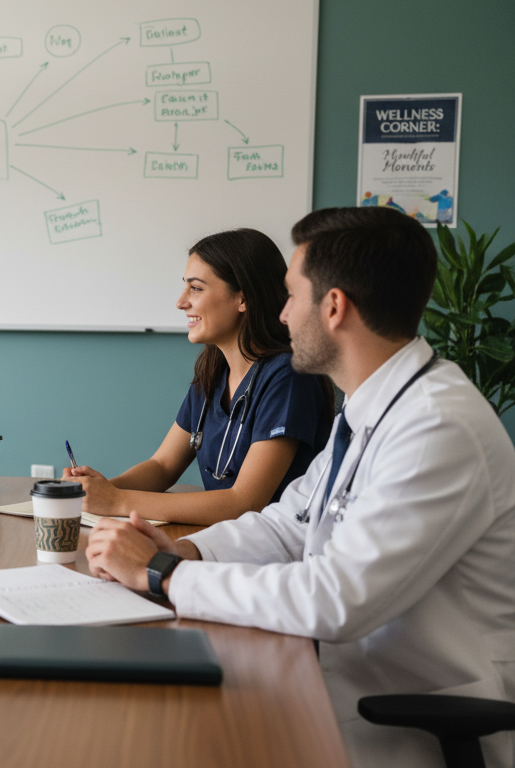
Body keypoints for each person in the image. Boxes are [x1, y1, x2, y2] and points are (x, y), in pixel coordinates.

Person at [86, 207, 515, 768]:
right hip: (332, 686)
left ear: (333, 307)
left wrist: (165, 575)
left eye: (291, 295)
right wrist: (183, 550)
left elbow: (335, 599)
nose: (282, 314)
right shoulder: (370, 410)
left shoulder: (436, 426)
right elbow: (289, 523)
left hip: (407, 723)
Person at [65, 229, 333, 524]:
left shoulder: (289, 377)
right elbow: (163, 465)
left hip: (275, 554)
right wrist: (99, 489)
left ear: (242, 298)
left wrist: (116, 501)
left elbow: (245, 502)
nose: (181, 302)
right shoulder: (213, 372)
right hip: (225, 541)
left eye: (196, 288)